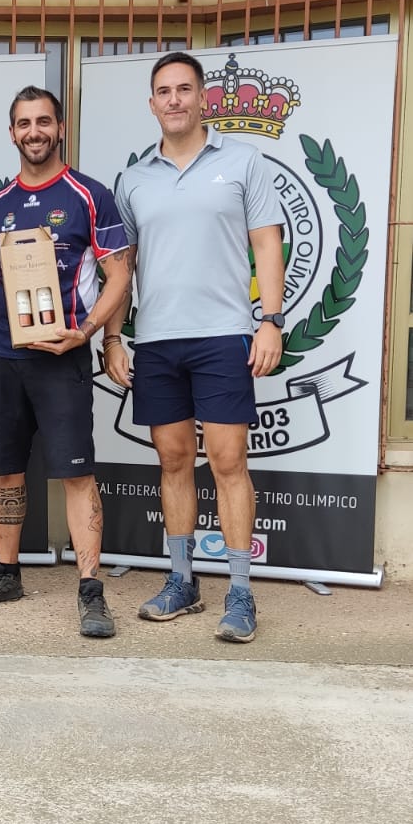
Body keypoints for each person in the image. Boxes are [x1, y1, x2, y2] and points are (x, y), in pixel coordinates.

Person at [106, 52, 285, 643]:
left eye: (185, 89)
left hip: (223, 335)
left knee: (229, 462)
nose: (175, 99)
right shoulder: (133, 179)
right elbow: (122, 268)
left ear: (203, 97)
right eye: (164, 91)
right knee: (173, 461)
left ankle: (240, 592)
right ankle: (182, 581)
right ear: (152, 103)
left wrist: (271, 321)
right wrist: (114, 336)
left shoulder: (243, 161)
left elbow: (267, 244)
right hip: (157, 340)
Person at [0, 86, 132, 638]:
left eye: (44, 121)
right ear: (12, 133)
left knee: (76, 474)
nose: (34, 132)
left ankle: (91, 589)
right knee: (5, 470)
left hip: (63, 354)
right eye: (24, 123)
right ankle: (6, 573)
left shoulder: (89, 195)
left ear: (60, 128)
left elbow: (120, 274)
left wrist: (88, 333)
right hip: (3, 355)